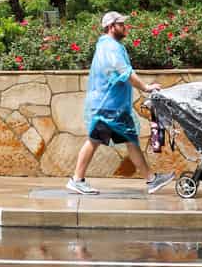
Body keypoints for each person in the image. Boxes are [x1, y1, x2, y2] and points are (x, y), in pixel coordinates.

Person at [67, 11, 175, 196]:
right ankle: (77, 180)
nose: (125, 27)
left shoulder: (110, 45)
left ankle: (151, 179)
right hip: (108, 107)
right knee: (97, 140)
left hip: (112, 106)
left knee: (125, 140)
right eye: (121, 24)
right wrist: (146, 88)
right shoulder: (110, 47)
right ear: (111, 27)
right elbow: (124, 72)